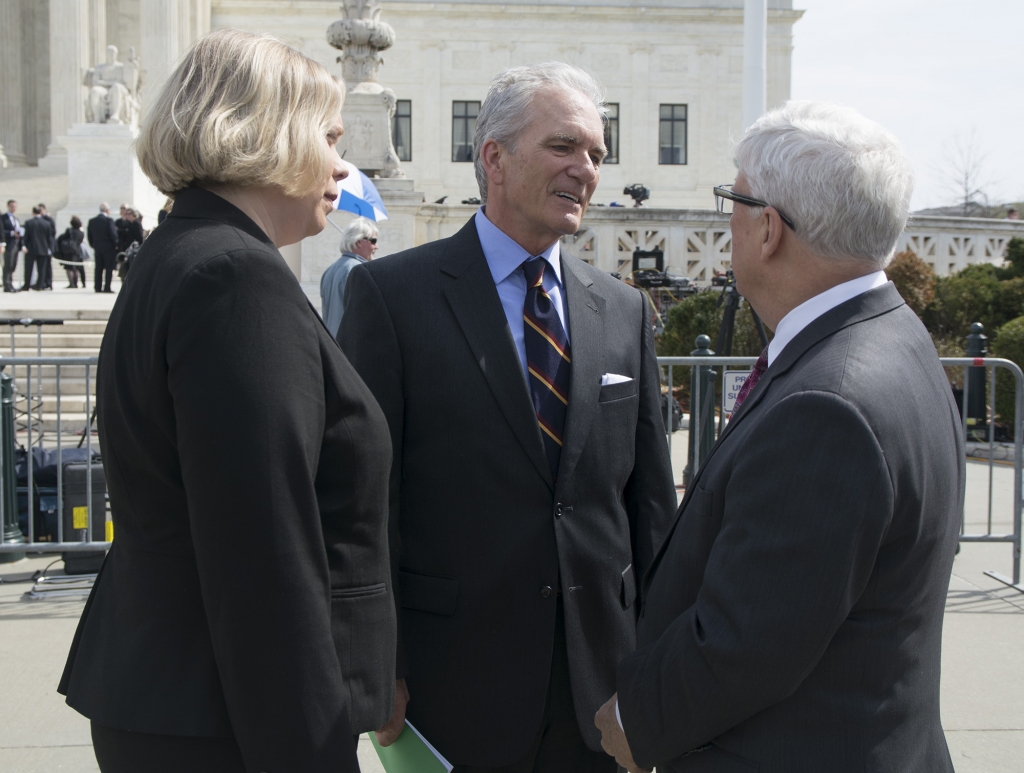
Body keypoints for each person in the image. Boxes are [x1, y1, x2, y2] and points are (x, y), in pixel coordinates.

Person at [58, 29, 395, 773]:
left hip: (181, 695)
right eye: (330, 134)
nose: (343, 163)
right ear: (266, 133)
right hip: (232, 718)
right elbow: (264, 556)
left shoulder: (183, 252)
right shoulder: (234, 278)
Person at [598, 102, 965, 773]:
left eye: (732, 197)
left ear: (768, 228)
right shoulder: (892, 335)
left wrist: (634, 716)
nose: (727, 219)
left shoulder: (829, 405)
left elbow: (747, 639)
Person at [340, 62, 676, 772]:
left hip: (601, 693)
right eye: (564, 147)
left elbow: (649, 508)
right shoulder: (392, 298)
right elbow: (364, 501)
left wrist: (659, 666)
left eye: (596, 154)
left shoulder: (622, 312)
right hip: (451, 686)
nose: (586, 169)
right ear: (493, 156)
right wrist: (379, 661)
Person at [320, 216, 377, 339]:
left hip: (332, 345)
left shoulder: (329, 270)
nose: (376, 246)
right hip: (349, 348)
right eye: (373, 241)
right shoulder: (359, 271)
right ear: (358, 242)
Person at [21, 205, 55, 291]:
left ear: (33, 212)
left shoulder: (29, 223)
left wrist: (24, 245)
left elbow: (26, 237)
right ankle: (39, 285)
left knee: (28, 268)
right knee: (42, 269)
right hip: (43, 249)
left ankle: (27, 285)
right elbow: (49, 238)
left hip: (31, 249)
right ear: (40, 212)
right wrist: (49, 248)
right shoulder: (47, 224)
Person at [88, 203, 118, 293]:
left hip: (97, 247)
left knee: (98, 268)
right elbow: (112, 234)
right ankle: (107, 287)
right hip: (108, 247)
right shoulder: (109, 220)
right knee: (109, 268)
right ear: (107, 210)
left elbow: (89, 236)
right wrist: (116, 244)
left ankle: (97, 287)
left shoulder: (92, 221)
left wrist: (93, 245)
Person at [58, 216, 87, 288]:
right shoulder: (81, 232)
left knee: (69, 268)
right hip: (77, 251)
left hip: (69, 251)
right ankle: (76, 283)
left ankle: (72, 283)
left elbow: (62, 238)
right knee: (75, 268)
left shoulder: (69, 230)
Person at [1, 200, 21, 292]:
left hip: (16, 245)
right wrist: (12, 233)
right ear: (8, 206)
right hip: (8, 244)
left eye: (15, 206)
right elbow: (1, 231)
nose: (13, 208)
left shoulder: (16, 218)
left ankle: (10, 283)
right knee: (8, 265)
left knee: (13, 265)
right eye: (12, 206)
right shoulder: (3, 218)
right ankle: (7, 284)